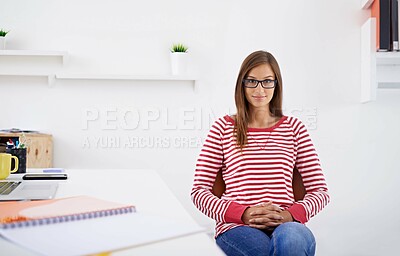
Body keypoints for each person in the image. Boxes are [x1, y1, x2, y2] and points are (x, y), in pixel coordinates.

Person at [191, 50, 330, 256]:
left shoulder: (294, 128)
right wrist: (244, 214)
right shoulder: (222, 128)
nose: (259, 89)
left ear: (276, 84)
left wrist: (290, 215)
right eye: (252, 81)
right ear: (242, 84)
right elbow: (199, 192)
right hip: (237, 227)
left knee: (291, 243)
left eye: (267, 81)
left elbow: (320, 192)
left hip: (288, 225)